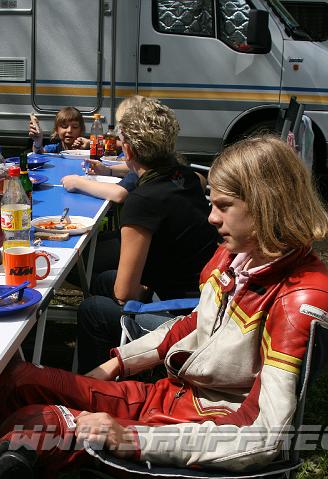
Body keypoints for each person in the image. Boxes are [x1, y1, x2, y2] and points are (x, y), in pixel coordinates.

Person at [0, 134, 328, 478]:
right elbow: (194, 323)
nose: (212, 217)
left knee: (38, 427)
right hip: (171, 396)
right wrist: (116, 363)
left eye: (224, 206)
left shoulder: (301, 301)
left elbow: (264, 437)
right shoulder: (237, 255)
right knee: (19, 380)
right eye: (212, 204)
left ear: (267, 205)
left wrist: (130, 437)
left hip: (200, 426)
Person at [76, 98, 219, 373]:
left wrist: (140, 290)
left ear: (128, 150)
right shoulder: (187, 177)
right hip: (205, 297)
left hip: (184, 317)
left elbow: (124, 293)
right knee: (103, 280)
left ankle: (96, 387)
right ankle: (127, 362)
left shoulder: (142, 201)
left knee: (92, 310)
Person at [60, 95, 145, 204]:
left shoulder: (146, 163)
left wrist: (78, 182)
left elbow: (119, 194)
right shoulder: (149, 157)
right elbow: (134, 169)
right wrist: (108, 170)